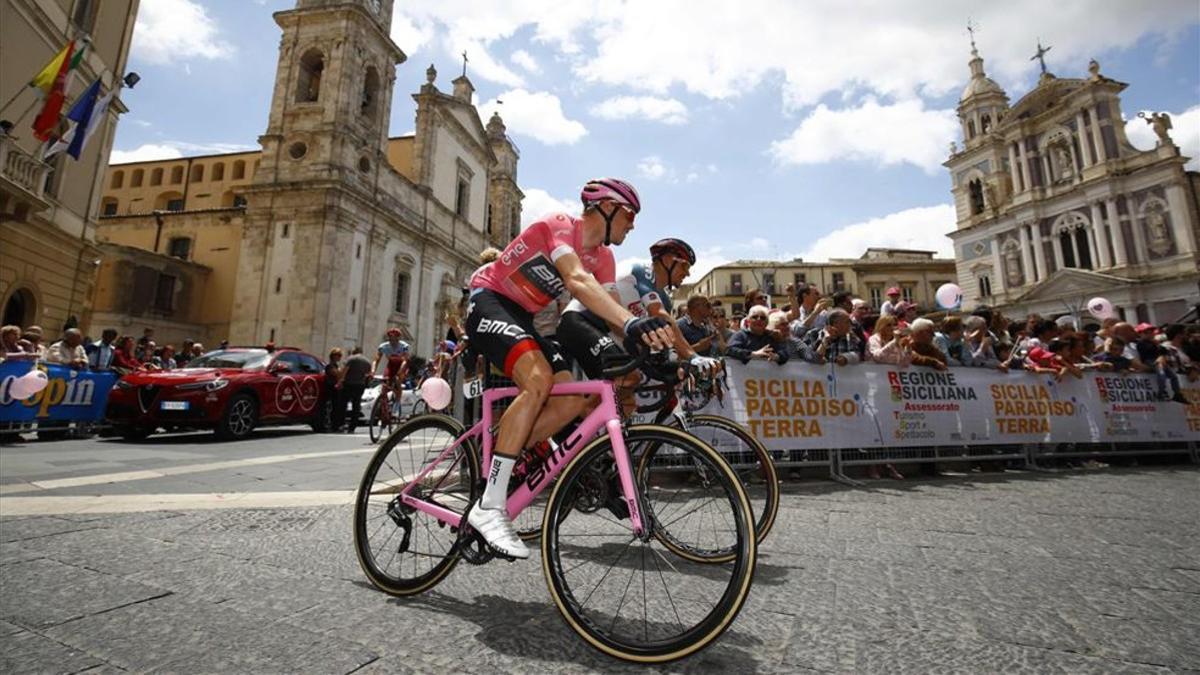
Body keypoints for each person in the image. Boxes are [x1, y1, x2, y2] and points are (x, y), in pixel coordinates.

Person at [464, 177, 672, 559]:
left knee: (574, 399)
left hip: (524, 318)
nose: (633, 224)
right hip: (489, 300)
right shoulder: (559, 226)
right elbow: (576, 281)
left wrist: (649, 347)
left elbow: (609, 314)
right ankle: (489, 506)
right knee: (538, 380)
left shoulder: (605, 258)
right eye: (629, 214)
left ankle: (504, 446)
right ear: (606, 208)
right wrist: (631, 323)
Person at [338, 347, 373, 432]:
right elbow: (369, 374)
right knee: (356, 405)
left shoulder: (351, 359)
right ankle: (352, 426)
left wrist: (340, 381)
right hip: (360, 385)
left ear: (354, 351)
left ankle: (341, 424)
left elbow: (345, 370)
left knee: (343, 404)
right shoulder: (367, 361)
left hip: (349, 384)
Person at [372, 328, 410, 395]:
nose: (392, 340)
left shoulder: (404, 346)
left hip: (402, 365)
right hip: (391, 365)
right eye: (390, 337)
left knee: (398, 380)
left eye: (395, 338)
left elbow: (405, 361)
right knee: (385, 382)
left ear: (398, 338)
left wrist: (400, 372)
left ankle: (398, 402)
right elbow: (376, 360)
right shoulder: (383, 346)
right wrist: (373, 371)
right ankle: (383, 400)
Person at [325, 348, 344, 431]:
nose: (340, 357)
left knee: (337, 407)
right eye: (338, 355)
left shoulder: (336, 366)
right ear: (333, 356)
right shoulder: (330, 366)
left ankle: (335, 424)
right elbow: (337, 374)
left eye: (340, 355)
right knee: (333, 407)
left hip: (335, 388)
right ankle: (332, 425)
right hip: (331, 388)